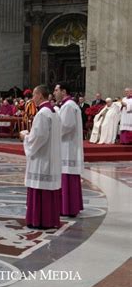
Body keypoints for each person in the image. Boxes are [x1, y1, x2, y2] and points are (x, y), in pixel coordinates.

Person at [20, 85, 62, 229]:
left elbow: (39, 137)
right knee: (47, 190)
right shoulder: (54, 112)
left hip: (42, 158)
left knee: (40, 188)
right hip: (51, 157)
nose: (32, 98)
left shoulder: (43, 113)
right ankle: (49, 219)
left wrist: (26, 137)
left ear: (40, 95)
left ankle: (39, 220)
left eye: (33, 95)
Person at [54, 82, 84, 217]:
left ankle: (67, 207)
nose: (54, 93)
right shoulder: (69, 105)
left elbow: (65, 126)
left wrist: (51, 132)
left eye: (56, 90)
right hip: (67, 146)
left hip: (67, 146)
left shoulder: (68, 106)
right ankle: (68, 206)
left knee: (67, 176)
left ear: (64, 92)